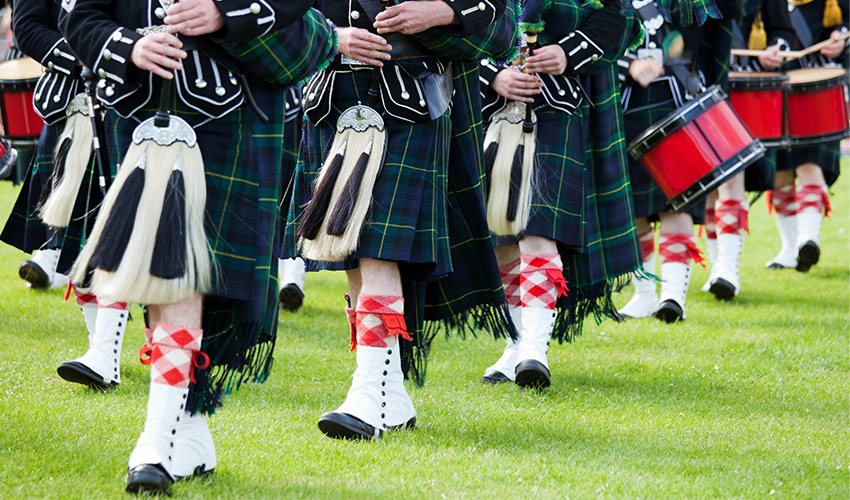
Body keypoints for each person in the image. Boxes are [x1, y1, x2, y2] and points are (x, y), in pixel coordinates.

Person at [60, 0, 334, 493]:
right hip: (144, 115)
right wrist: (131, 45)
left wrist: (225, 12)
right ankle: (176, 435)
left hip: (239, 113)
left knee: (191, 280)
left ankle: (163, 436)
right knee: (166, 272)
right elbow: (80, 14)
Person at [284, 0, 516, 440]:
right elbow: (284, 14)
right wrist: (332, 37)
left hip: (409, 100)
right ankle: (391, 393)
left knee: (376, 252)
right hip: (333, 102)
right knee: (350, 252)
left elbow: (499, 23)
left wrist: (441, 12)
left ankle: (367, 394)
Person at [478, 0, 644, 388]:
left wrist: (568, 53)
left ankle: (534, 350)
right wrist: (493, 75)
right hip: (490, 111)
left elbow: (618, 17)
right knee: (502, 237)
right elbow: (461, 17)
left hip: (557, 108)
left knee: (538, 229)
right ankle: (515, 342)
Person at [616, 0, 739, 323]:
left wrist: (713, 94)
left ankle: (672, 296)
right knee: (634, 207)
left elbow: (719, 37)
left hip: (677, 98)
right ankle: (644, 295)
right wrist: (627, 63)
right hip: (622, 100)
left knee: (678, 200)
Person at [699, 0, 794, 300]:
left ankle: (728, 269)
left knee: (731, 174)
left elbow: (784, 33)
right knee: (708, 186)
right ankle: (718, 267)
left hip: (747, 91)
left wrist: (777, 49)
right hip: (701, 86)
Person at [763, 0, 846, 272]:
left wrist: (842, 37)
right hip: (773, 85)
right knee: (780, 173)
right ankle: (791, 247)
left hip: (818, 86)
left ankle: (806, 239)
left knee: (810, 164)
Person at [0, 0, 74, 290]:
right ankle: (52, 251)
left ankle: (55, 254)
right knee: (57, 172)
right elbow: (28, 25)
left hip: (140, 85)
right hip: (65, 86)